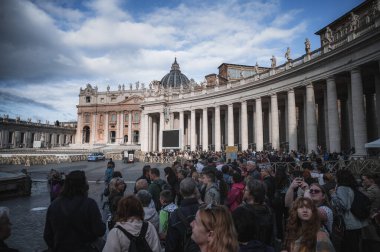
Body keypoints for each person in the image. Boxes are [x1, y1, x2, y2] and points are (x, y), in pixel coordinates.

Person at [44, 170, 106, 251]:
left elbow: (47, 235)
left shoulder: (54, 205)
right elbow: (99, 231)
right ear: (83, 185)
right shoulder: (89, 204)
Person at [330, 169, 368, 252]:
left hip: (349, 224)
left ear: (339, 177)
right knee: (355, 246)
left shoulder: (342, 188)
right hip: (357, 222)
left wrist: (333, 195)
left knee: (349, 247)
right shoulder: (352, 187)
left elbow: (344, 206)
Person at [165, 178, 200, 252]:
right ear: (195, 190)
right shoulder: (205, 210)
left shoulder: (175, 215)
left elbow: (171, 245)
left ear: (180, 192)